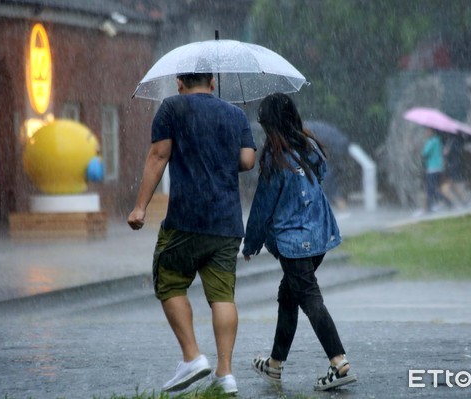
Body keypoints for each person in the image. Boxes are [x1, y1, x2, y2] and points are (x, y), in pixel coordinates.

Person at [127, 72, 256, 395]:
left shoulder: (172, 108)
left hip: (186, 218)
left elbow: (159, 155)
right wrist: (219, 146)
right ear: (212, 84)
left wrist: (140, 206)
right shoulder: (235, 114)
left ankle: (192, 357)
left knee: (169, 278)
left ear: (180, 82)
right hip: (226, 222)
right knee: (223, 296)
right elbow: (247, 160)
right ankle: (226, 374)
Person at [242, 93, 357, 392]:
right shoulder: (310, 146)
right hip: (319, 236)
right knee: (289, 296)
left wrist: (251, 244)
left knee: (310, 299)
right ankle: (275, 365)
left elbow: (262, 206)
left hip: (294, 243)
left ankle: (339, 363)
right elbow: (321, 174)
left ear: (269, 125)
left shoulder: (274, 157)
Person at [421, 128, 453, 213]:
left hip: (432, 168)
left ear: (432, 132)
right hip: (438, 167)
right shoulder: (438, 141)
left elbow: (424, 153)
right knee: (430, 189)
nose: (426, 132)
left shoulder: (431, 141)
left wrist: (425, 144)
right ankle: (429, 207)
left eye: (427, 131)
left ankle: (448, 202)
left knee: (431, 189)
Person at [441, 131, 470, 207]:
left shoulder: (455, 141)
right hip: (452, 165)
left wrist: (447, 152)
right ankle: (463, 202)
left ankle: (453, 203)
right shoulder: (451, 140)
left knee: (446, 187)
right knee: (454, 186)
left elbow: (454, 153)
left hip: (453, 166)